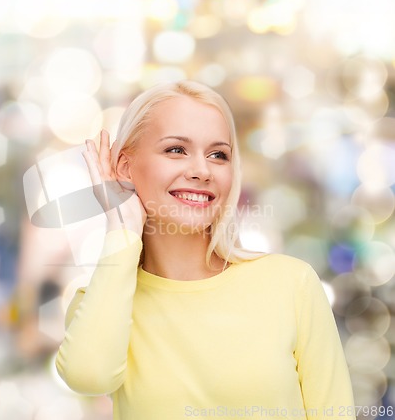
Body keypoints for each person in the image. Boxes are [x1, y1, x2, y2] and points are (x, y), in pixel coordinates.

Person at [55, 80, 356, 419]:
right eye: (176, 150)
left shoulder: (291, 284)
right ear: (125, 167)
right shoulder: (100, 302)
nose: (201, 171)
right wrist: (122, 230)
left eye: (218, 155)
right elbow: (87, 376)